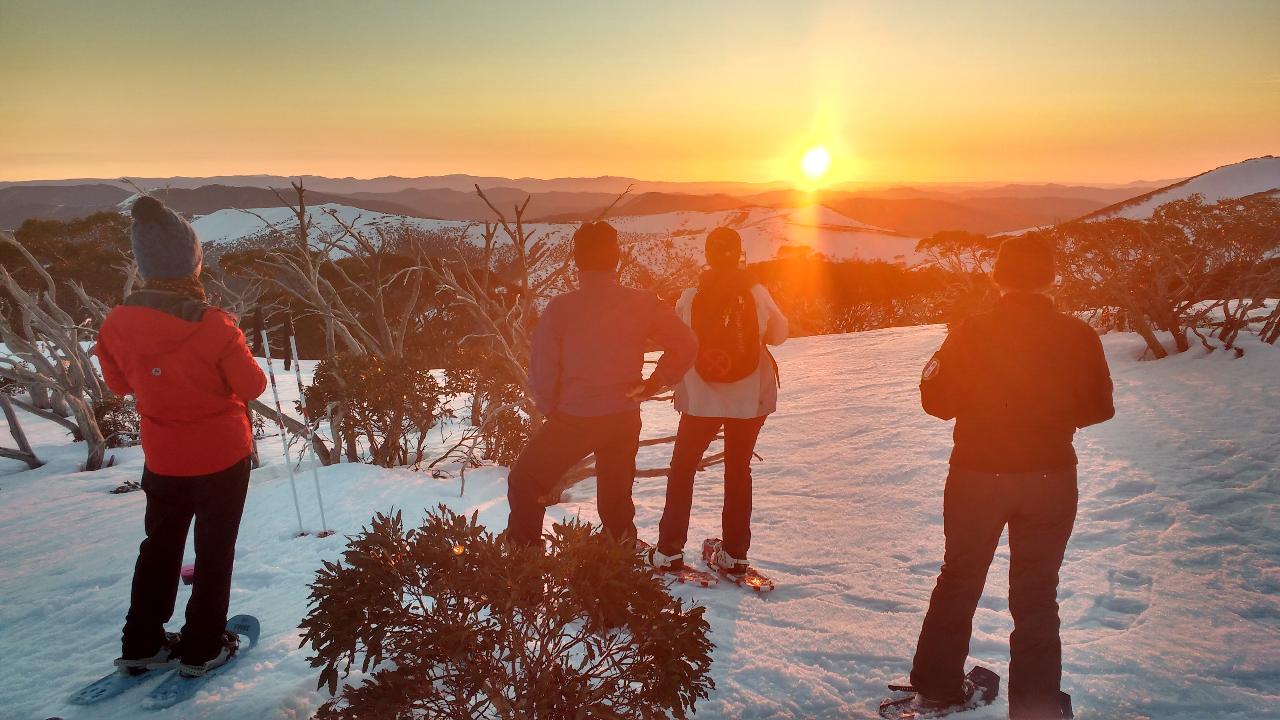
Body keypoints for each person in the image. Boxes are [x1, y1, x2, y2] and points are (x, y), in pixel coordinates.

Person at [901, 236, 1114, 719]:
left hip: (977, 475)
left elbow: (935, 401)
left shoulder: (972, 332)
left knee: (959, 578)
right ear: (1051, 277)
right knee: (1037, 591)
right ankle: (1036, 707)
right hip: (1050, 476)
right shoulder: (1078, 335)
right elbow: (1101, 408)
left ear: (998, 277)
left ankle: (936, 688)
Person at [95, 196, 266, 678]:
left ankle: (142, 641)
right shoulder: (214, 325)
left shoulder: (117, 322)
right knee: (214, 550)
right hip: (222, 456)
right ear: (191, 261)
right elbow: (251, 386)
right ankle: (202, 647)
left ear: (144, 263)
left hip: (164, 457)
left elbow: (119, 384)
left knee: (160, 545)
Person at [506, 221, 698, 547]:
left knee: (525, 480)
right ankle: (618, 569)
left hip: (574, 418)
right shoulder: (642, 303)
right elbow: (686, 343)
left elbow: (542, 369)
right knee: (615, 501)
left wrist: (553, 408)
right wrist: (654, 384)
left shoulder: (561, 308)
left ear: (578, 261)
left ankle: (525, 573)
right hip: (622, 417)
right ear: (617, 259)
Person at [647, 227, 788, 576]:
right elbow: (781, 334)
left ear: (709, 256)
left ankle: (669, 551)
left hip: (700, 399)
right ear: (739, 254)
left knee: (682, 468)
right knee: (738, 470)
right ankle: (735, 555)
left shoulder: (692, 295)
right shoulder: (755, 291)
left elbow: (680, 341)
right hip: (750, 398)